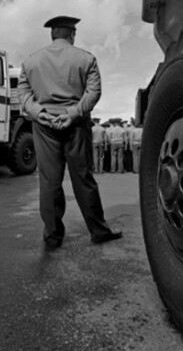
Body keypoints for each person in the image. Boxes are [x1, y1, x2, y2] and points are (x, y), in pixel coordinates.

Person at [17, 15, 122, 250]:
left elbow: (22, 93)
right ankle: (98, 231)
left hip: (44, 126)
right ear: (72, 34)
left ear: (52, 34)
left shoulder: (31, 61)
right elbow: (94, 92)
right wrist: (74, 113)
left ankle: (52, 237)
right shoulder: (86, 58)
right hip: (76, 125)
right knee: (83, 178)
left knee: (49, 181)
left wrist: (38, 112)